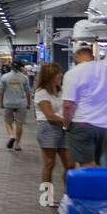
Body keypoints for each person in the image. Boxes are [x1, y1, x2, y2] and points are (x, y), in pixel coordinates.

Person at [61, 25, 107, 168]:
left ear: (76, 56)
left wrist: (66, 125)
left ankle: (90, 190)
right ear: (92, 55)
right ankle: (99, 188)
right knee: (98, 163)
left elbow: (68, 105)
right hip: (106, 126)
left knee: (87, 166)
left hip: (83, 123)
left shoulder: (72, 74)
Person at [34, 62, 69, 205]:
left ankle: (69, 195)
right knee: (49, 164)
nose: (60, 75)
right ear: (50, 76)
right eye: (57, 73)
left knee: (70, 164)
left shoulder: (61, 90)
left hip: (63, 128)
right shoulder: (41, 92)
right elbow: (50, 115)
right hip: (48, 128)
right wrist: (67, 121)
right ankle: (47, 197)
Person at [0, 61, 33, 151]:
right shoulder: (24, 77)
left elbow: (1, 92)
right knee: (19, 124)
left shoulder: (4, 77)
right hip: (21, 103)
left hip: (8, 103)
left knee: (8, 122)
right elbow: (28, 92)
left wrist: (1, 103)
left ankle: (11, 135)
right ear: (20, 68)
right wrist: (29, 103)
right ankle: (17, 144)